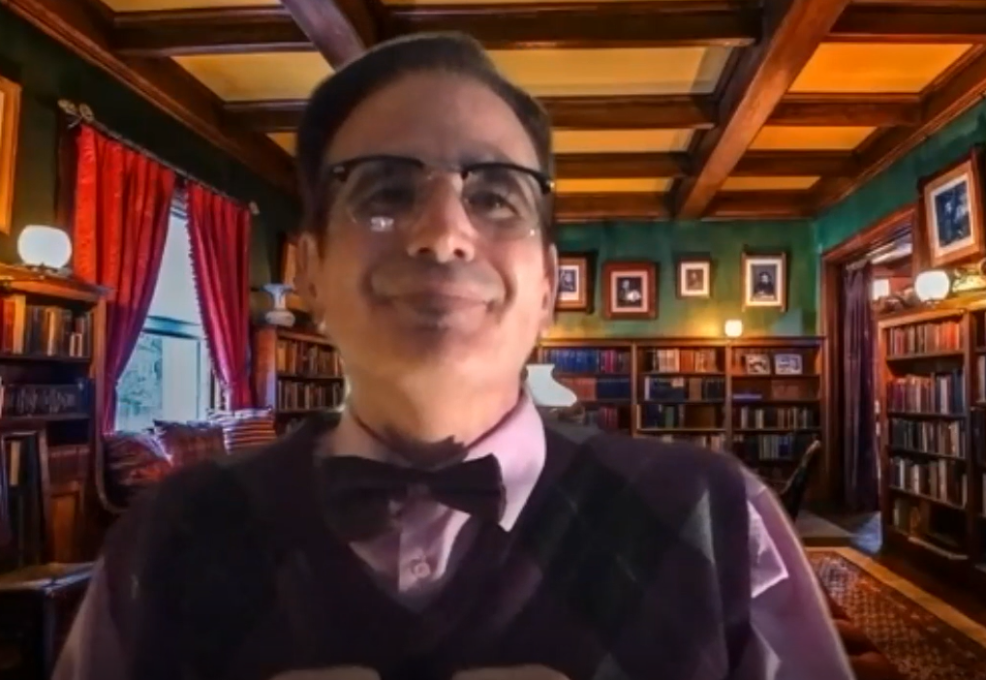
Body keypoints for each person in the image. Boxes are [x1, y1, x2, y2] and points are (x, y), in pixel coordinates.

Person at [54, 33, 853, 680]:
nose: (443, 232)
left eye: (496, 194)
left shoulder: (719, 519)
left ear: (546, 284)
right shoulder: (163, 540)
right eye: (384, 192)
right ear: (310, 274)